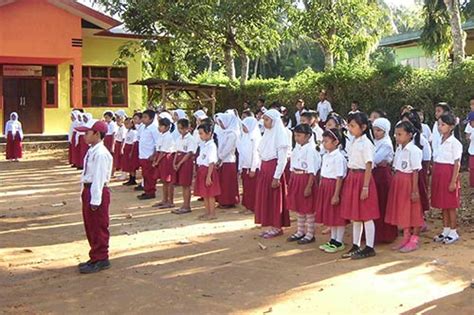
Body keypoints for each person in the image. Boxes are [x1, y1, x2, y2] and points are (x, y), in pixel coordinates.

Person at [340, 112, 380, 260]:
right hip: (353, 176)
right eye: (349, 125)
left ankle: (369, 247)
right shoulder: (354, 141)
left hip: (363, 177)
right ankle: (356, 245)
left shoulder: (366, 143)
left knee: (366, 214)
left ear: (363, 127)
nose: (350, 129)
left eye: (353, 126)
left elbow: (369, 164)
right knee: (355, 215)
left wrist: (365, 186)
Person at [75, 119, 113, 274]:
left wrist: (95, 199)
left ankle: (102, 258)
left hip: (96, 190)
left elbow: (98, 177)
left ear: (97, 134)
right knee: (90, 225)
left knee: (98, 225)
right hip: (89, 190)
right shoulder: (92, 150)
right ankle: (95, 256)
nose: (84, 136)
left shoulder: (101, 153)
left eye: (87, 132)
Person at [385, 121, 424, 253]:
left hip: (409, 182)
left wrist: (414, 190)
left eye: (400, 134)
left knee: (413, 210)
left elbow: (415, 171)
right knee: (403, 210)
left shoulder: (414, 150)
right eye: (395, 134)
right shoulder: (399, 149)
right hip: (399, 181)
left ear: (409, 135)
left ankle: (414, 239)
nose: (397, 137)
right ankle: (406, 236)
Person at [255, 109, 291, 239]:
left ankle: (277, 226)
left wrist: (277, 176)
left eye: (267, 120)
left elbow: (282, 159)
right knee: (267, 199)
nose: (264, 122)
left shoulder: (280, 135)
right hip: (265, 169)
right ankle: (270, 224)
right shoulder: (267, 134)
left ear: (274, 121)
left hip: (273, 170)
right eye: (264, 119)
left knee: (274, 199)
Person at [286, 124, 321, 245]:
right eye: (295, 135)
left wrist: (309, 186)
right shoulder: (296, 149)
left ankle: (310, 234)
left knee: (308, 208)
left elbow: (312, 170)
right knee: (299, 207)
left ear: (308, 136)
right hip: (296, 177)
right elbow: (292, 166)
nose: (296, 138)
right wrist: (291, 180)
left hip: (306, 179)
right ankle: (300, 231)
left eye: (299, 135)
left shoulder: (311, 150)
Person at [432, 112, 462, 245]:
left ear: (450, 127)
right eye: (439, 124)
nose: (440, 127)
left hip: (448, 174)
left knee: (450, 205)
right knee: (443, 204)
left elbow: (457, 163)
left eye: (443, 125)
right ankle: (446, 229)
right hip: (439, 172)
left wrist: (453, 181)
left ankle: (454, 231)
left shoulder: (455, 143)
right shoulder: (439, 140)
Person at [316, 128, 348, 253]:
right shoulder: (326, 156)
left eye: (327, 141)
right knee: (331, 215)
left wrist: (336, 195)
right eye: (323, 141)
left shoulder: (339, 157)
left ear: (336, 142)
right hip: (325, 185)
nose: (324, 143)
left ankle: (338, 241)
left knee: (337, 215)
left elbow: (339, 177)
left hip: (334, 187)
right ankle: (333, 239)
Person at [372, 118, 398, 244]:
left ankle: (385, 234)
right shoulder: (374, 142)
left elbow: (375, 159)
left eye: (379, 130)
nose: (376, 133)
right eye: (375, 130)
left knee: (383, 203)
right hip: (373, 174)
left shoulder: (386, 144)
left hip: (382, 176)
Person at [401, 110, 431, 217]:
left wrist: (424, 170)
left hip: (418, 169)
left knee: (419, 191)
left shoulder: (420, 139)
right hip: (405, 171)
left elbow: (426, 156)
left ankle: (420, 216)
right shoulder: (401, 140)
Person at [194, 122, 221, 220]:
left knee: (210, 194)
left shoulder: (211, 146)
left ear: (209, 133)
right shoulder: (203, 144)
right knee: (204, 193)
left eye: (201, 133)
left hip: (208, 171)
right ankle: (207, 212)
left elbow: (211, 162)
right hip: (202, 169)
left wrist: (209, 176)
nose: (200, 136)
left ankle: (212, 213)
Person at [171, 118, 198, 214]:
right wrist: (174, 162)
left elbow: (189, 153)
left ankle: (187, 205)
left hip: (186, 162)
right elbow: (177, 151)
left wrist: (179, 163)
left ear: (188, 128)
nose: (180, 130)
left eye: (182, 128)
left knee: (186, 185)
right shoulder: (178, 138)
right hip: (178, 160)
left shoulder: (191, 139)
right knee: (182, 184)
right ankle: (184, 205)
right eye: (178, 128)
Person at [215, 112, 240, 208]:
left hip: (228, 160)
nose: (221, 125)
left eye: (222, 122)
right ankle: (223, 200)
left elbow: (228, 148)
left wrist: (220, 157)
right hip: (222, 160)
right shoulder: (224, 132)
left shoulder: (232, 134)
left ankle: (229, 201)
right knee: (223, 182)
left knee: (227, 183)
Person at [237, 116, 262, 214]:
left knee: (253, 188)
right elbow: (242, 153)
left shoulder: (255, 138)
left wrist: (253, 168)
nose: (243, 128)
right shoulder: (244, 137)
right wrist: (240, 167)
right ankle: (247, 206)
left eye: (245, 126)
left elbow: (256, 154)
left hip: (253, 167)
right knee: (246, 188)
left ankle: (253, 207)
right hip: (245, 166)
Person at [152, 117, 176, 209]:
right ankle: (164, 199)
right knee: (164, 180)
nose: (159, 127)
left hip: (166, 158)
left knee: (168, 180)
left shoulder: (168, 136)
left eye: (161, 126)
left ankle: (170, 201)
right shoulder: (161, 135)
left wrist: (157, 161)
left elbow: (164, 151)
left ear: (166, 127)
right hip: (160, 157)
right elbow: (158, 148)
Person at [137, 110, 161, 200]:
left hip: (149, 156)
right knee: (145, 174)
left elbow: (157, 143)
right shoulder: (143, 127)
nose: (143, 119)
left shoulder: (154, 129)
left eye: (145, 117)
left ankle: (151, 191)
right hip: (142, 154)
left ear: (151, 119)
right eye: (143, 117)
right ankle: (146, 190)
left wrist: (154, 155)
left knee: (150, 175)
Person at [121, 118, 139, 186]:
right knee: (128, 164)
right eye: (125, 124)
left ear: (132, 124)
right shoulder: (127, 131)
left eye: (127, 124)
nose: (126, 125)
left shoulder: (134, 132)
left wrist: (131, 151)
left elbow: (134, 142)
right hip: (126, 148)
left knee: (132, 165)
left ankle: (133, 179)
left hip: (131, 148)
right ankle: (130, 178)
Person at [113, 110, 127, 178]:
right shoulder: (119, 127)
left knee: (122, 160)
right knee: (117, 159)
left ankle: (123, 174)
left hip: (121, 144)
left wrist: (122, 147)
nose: (116, 119)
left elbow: (124, 138)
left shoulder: (124, 127)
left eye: (118, 117)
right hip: (118, 143)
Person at [466, 112, 474, 187]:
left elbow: (468, 138)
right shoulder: (471, 128)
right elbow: (467, 138)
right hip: (472, 152)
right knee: (472, 169)